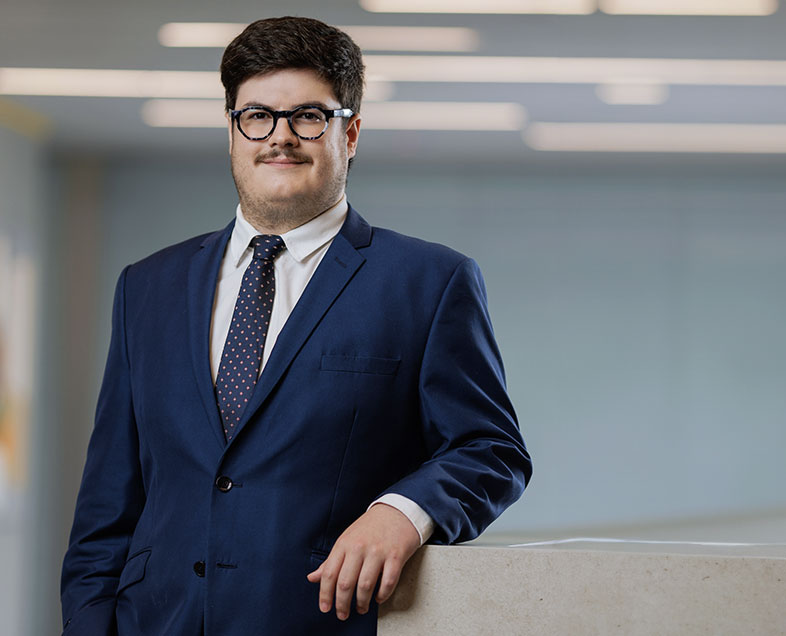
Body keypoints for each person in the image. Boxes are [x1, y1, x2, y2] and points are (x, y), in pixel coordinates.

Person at [61, 16, 532, 636]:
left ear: (351, 132)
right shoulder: (148, 286)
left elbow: (491, 451)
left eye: (308, 116)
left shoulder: (428, 281)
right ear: (232, 130)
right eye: (257, 116)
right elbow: (107, 504)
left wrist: (402, 512)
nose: (279, 137)